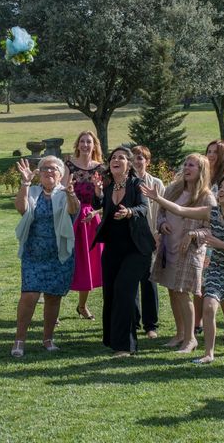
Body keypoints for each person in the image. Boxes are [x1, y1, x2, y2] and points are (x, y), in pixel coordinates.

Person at [143, 174, 224, 364]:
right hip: (218, 268)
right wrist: (158, 198)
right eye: (221, 187)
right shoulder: (212, 212)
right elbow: (181, 210)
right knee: (209, 307)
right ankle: (208, 353)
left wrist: (218, 243)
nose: (221, 190)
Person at [91, 146, 156, 357]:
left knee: (124, 291)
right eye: (113, 157)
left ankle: (125, 346)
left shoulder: (136, 184)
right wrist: (98, 194)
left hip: (137, 248)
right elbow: (101, 205)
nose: (115, 160)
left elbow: (144, 208)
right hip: (112, 248)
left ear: (128, 164)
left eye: (121, 157)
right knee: (110, 292)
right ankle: (112, 338)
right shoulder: (109, 186)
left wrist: (130, 212)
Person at [12, 156, 79, 357]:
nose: (49, 172)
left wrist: (70, 194)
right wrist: (25, 183)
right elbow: (21, 208)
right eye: (45, 169)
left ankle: (48, 339)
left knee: (53, 297)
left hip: (58, 255)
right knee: (29, 296)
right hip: (34, 253)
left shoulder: (65, 192)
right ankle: (19, 340)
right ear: (39, 174)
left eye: (53, 169)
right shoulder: (32, 192)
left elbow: (73, 210)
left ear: (60, 174)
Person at [151, 154, 215, 353]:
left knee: (182, 291)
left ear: (201, 170)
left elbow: (212, 229)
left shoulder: (206, 197)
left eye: (192, 165)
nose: (187, 168)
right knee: (172, 290)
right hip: (169, 247)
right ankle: (179, 334)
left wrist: (194, 234)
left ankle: (191, 339)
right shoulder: (173, 189)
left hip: (189, 251)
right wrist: (162, 224)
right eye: (186, 164)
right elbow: (160, 212)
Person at [195, 139, 224, 341]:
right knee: (199, 283)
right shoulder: (202, 178)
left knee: (223, 285)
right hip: (201, 238)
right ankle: (197, 323)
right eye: (209, 151)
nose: (210, 155)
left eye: (215, 152)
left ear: (223, 156)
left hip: (221, 239)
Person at [62, 130, 103, 320]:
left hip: (91, 220)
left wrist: (98, 192)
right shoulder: (68, 165)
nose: (85, 145)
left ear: (94, 145)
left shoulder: (100, 168)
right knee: (66, 261)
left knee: (88, 263)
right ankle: (54, 308)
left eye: (89, 142)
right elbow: (61, 192)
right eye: (82, 142)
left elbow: (104, 200)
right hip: (71, 216)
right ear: (77, 145)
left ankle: (82, 305)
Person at [131, 145, 164, 339]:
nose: (137, 161)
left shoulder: (157, 184)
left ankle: (151, 325)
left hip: (151, 238)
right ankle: (133, 322)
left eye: (140, 158)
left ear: (147, 161)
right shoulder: (126, 183)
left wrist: (159, 234)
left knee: (149, 281)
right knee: (132, 281)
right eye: (134, 157)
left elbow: (164, 210)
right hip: (131, 238)